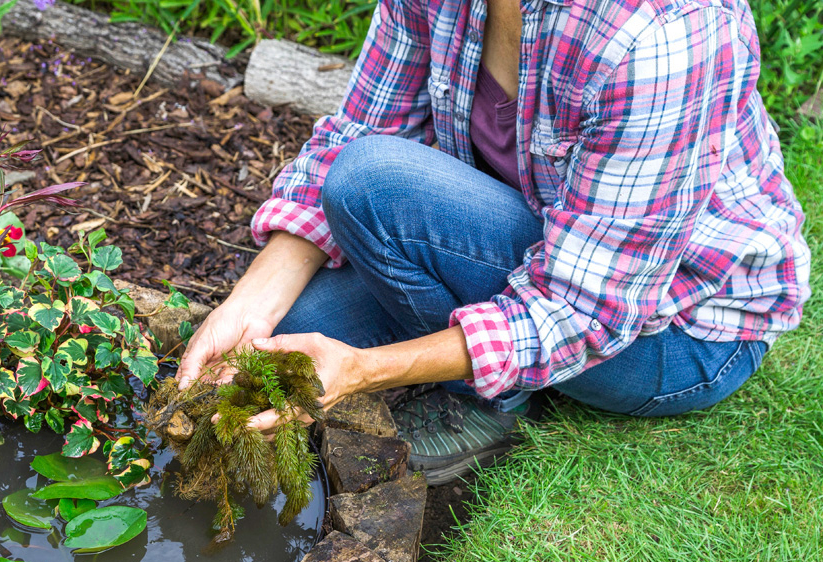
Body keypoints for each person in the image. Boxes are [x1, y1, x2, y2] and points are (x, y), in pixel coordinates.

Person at [176, 0, 811, 485]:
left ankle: (486, 404)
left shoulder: (663, 33)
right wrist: (245, 308)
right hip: (538, 242)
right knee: (286, 334)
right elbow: (364, 125)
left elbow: (588, 310)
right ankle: (476, 358)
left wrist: (365, 371)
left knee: (372, 184)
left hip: (681, 329)